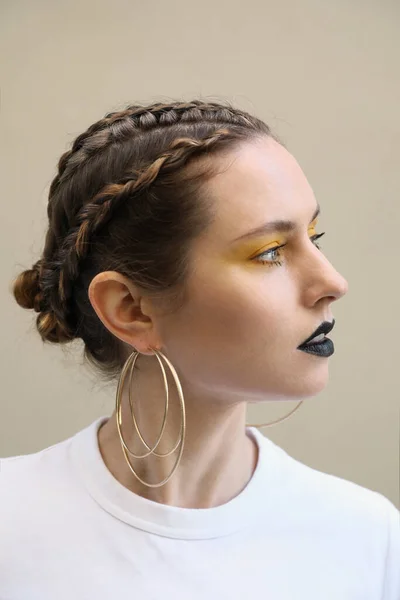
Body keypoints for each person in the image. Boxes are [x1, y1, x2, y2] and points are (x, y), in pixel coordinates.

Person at [1, 99, 399, 599]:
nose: (333, 281)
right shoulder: (9, 526)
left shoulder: (367, 538)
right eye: (270, 252)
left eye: (316, 237)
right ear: (130, 309)